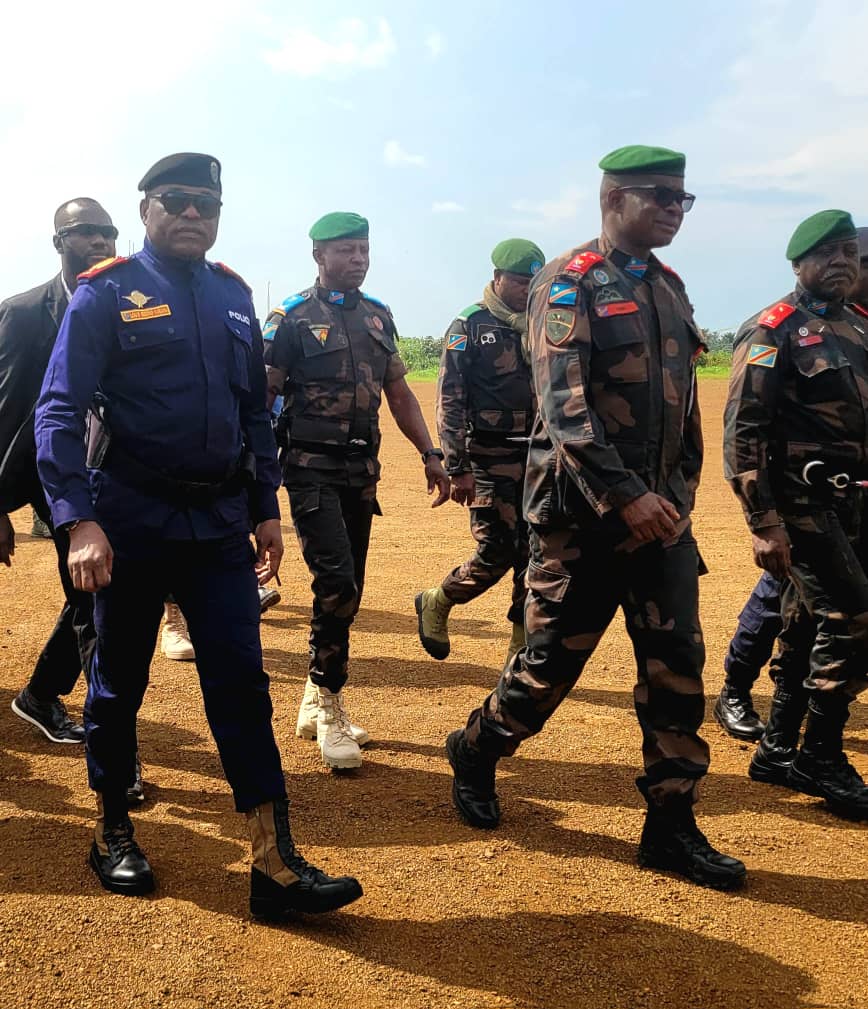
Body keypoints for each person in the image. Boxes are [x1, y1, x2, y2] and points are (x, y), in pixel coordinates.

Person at [35, 153, 362, 915]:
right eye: (176, 201)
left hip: (217, 526)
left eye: (206, 205)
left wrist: (265, 505)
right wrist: (77, 519)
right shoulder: (104, 295)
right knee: (118, 680)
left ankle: (272, 861)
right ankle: (112, 826)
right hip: (129, 519)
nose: (192, 215)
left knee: (242, 684)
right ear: (146, 208)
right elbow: (57, 412)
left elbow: (254, 413)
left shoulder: (234, 298)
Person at [445, 145, 746, 891]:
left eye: (684, 199)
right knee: (547, 669)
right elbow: (564, 407)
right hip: (582, 522)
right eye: (660, 196)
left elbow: (685, 414)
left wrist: (675, 499)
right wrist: (625, 496)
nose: (675, 209)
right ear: (613, 198)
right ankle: (477, 748)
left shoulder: (669, 289)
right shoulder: (568, 282)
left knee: (678, 671)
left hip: (661, 523)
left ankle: (671, 824)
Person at [263, 212, 450, 770]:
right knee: (337, 581)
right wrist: (252, 479)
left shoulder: (377, 317)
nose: (359, 259)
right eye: (347, 250)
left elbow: (399, 392)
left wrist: (431, 453)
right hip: (309, 467)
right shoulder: (290, 318)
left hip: (361, 473)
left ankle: (311, 697)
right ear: (319, 255)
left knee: (351, 586)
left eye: (364, 249)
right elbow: (262, 399)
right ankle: (330, 702)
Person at [724, 210, 868, 820]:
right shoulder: (772, 329)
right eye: (827, 254)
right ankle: (821, 755)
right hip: (799, 501)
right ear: (799, 262)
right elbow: (743, 432)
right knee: (854, 614)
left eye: (849, 254)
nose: (841, 264)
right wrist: (764, 521)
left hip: (853, 501)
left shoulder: (857, 327)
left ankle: (779, 748)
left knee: (807, 623)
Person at [1, 198, 115, 745]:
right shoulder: (23, 313)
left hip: (89, 474)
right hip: (33, 469)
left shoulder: (121, 304)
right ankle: (85, 721)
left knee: (91, 591)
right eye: (85, 232)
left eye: (107, 232)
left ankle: (44, 697)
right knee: (93, 597)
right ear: (58, 243)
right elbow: (3, 411)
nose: (99, 241)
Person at [415, 239, 544, 665]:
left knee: (536, 552)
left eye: (533, 282)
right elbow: (450, 399)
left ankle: (521, 643)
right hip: (487, 457)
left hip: (539, 457)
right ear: (497, 278)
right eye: (520, 281)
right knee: (498, 549)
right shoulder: (469, 325)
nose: (527, 290)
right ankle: (440, 598)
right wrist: (457, 466)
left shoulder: (546, 323)